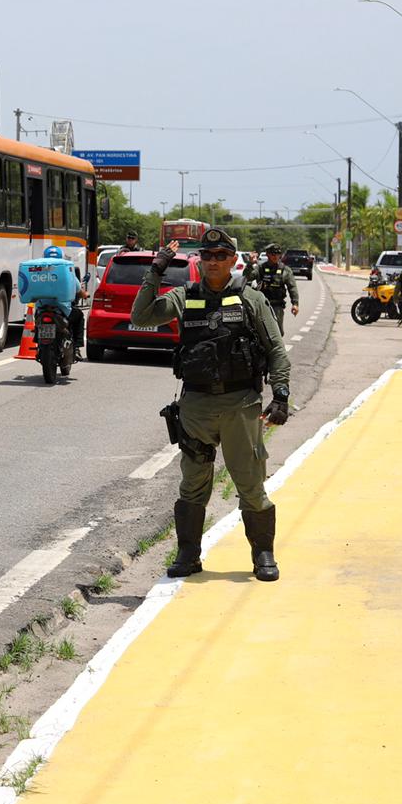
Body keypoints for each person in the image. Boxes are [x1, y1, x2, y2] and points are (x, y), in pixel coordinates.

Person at [131, 227, 291, 582]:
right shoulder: (182, 296)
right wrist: (156, 270)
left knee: (250, 484)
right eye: (207, 255)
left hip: (241, 407)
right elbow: (140, 317)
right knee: (193, 485)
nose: (214, 261)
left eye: (221, 255)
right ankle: (188, 554)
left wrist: (280, 395)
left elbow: (276, 350)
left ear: (233, 260)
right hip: (196, 409)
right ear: (199, 260)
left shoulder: (251, 299)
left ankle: (262, 553)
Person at [40, 246, 90, 360]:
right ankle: (77, 348)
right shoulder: (67, 273)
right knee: (79, 316)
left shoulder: (38, 272)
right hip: (63, 310)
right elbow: (79, 290)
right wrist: (85, 294)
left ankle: (39, 343)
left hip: (41, 309)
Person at [257, 244, 298, 333]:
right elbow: (247, 277)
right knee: (261, 331)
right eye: (273, 254)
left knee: (278, 331)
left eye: (278, 254)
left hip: (277, 305)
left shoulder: (285, 270)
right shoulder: (261, 268)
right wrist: (250, 264)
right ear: (267, 254)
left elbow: (292, 287)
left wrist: (295, 303)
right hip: (262, 305)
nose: (275, 256)